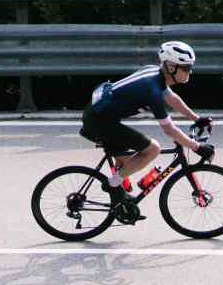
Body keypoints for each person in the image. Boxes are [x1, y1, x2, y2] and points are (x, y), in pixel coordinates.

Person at [79, 41, 215, 207]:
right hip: (99, 122)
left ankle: (120, 199)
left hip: (100, 116)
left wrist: (196, 118)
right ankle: (111, 185)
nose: (190, 71)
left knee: (129, 162)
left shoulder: (155, 73)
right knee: (153, 149)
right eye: (186, 68)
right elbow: (169, 129)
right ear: (171, 67)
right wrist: (197, 147)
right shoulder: (152, 90)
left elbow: (172, 98)